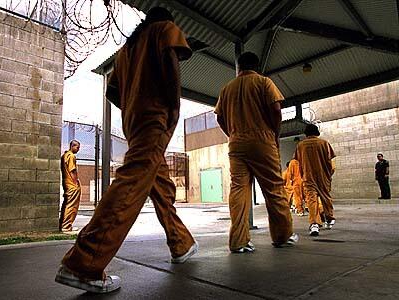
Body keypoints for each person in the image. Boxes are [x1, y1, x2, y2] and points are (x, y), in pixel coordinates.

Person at [55, 7, 197, 293]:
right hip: (156, 118)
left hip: (135, 122)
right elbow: (171, 64)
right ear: (167, 19)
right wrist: (172, 108)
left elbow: (113, 92)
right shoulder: (164, 29)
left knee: (160, 185)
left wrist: (134, 106)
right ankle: (83, 263)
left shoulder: (127, 49)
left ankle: (181, 242)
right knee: (131, 185)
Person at [215, 52, 298, 252]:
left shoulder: (227, 89)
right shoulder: (263, 82)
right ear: (257, 66)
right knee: (273, 188)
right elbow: (276, 109)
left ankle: (238, 241)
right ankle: (282, 235)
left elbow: (219, 118)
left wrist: (232, 134)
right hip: (263, 140)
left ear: (239, 67)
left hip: (236, 144)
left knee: (239, 190)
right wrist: (274, 134)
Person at [294, 123, 336, 236]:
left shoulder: (300, 145)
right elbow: (331, 163)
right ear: (317, 132)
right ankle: (329, 218)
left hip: (308, 177)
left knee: (311, 200)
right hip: (323, 176)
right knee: (326, 197)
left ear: (306, 133)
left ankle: (314, 224)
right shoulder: (324, 143)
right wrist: (329, 175)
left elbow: (298, 162)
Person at [59, 140, 81, 232]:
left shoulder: (64, 155)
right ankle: (67, 226)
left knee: (67, 203)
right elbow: (72, 170)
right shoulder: (71, 156)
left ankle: (62, 224)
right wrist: (76, 182)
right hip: (72, 184)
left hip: (66, 183)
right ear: (72, 146)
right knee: (72, 205)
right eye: (77, 147)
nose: (78, 149)